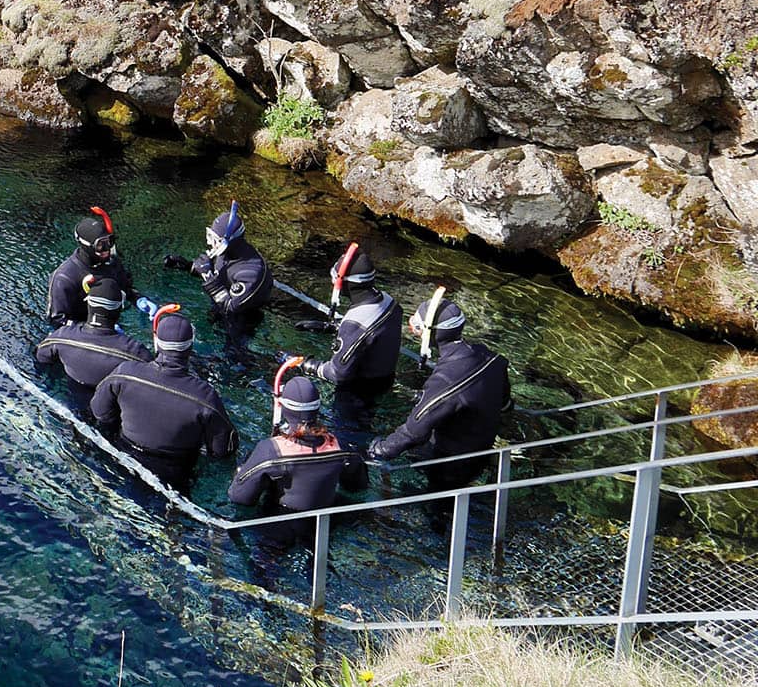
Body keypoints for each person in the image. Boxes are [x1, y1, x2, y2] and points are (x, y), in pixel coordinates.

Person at [367, 292, 511, 493]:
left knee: (438, 508)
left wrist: (379, 450)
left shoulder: (445, 380)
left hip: (451, 464)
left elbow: (413, 432)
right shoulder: (491, 357)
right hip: (482, 449)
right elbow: (505, 404)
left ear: (430, 333)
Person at [90, 306, 237, 490]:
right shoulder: (205, 397)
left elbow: (99, 411)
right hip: (174, 474)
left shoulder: (125, 374)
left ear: (156, 342)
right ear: (190, 347)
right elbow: (224, 449)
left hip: (122, 456)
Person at [228, 376, 368, 544]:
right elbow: (357, 486)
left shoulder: (270, 450)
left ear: (284, 408)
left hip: (280, 525)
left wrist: (240, 471)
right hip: (325, 525)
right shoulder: (342, 447)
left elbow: (240, 497)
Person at [289, 246, 402, 403]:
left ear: (344, 282)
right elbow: (371, 335)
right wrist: (332, 327)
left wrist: (305, 364)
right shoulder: (390, 302)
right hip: (384, 379)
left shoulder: (355, 323)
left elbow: (337, 374)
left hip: (359, 392)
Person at [163, 201, 272, 318]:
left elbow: (230, 308)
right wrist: (188, 266)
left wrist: (208, 277)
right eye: (209, 235)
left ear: (229, 241)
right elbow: (217, 273)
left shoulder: (250, 273)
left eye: (214, 239)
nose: (209, 242)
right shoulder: (226, 252)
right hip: (222, 300)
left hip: (244, 316)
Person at [34, 278, 151, 386]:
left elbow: (41, 357)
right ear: (119, 310)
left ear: (88, 305)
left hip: (72, 396)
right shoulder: (138, 354)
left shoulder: (61, 337)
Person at [47, 207, 135, 328]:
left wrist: (139, 299)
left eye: (109, 242)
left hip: (110, 323)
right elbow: (56, 320)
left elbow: (126, 288)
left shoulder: (113, 263)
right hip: (82, 330)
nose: (107, 249)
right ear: (86, 246)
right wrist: (91, 329)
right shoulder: (64, 278)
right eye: (100, 245)